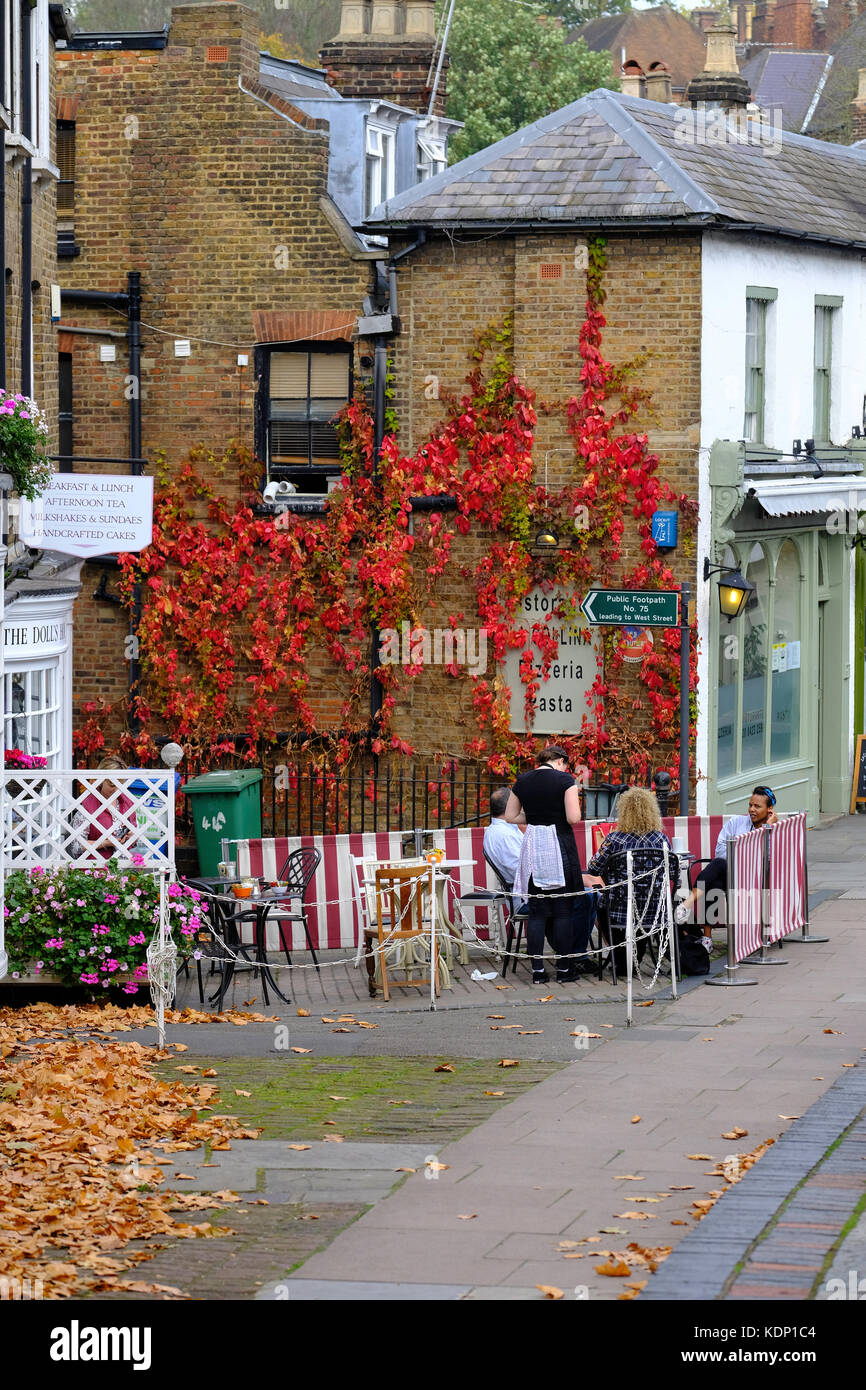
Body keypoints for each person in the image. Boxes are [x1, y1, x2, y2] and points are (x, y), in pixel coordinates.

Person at [505, 745, 593, 985]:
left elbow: (511, 816)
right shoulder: (565, 780)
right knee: (563, 910)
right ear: (561, 761)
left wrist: (534, 818)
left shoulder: (522, 780)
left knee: (537, 912)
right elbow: (573, 818)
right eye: (566, 764)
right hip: (559, 847)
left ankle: (537, 972)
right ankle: (564, 970)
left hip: (533, 847)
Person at [674, 785, 778, 947]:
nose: (752, 809)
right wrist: (742, 855)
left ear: (770, 809)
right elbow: (720, 850)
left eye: (757, 806)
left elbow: (768, 858)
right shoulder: (736, 822)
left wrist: (766, 829)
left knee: (718, 867)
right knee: (716, 870)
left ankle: (687, 904)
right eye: (750, 804)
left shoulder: (774, 831)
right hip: (730, 873)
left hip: (754, 880)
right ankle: (706, 938)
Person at [583, 787, 673, 972]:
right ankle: (632, 958)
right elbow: (672, 872)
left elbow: (593, 867)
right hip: (654, 909)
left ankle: (620, 957)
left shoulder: (615, 839)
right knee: (639, 908)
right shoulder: (661, 839)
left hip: (620, 909)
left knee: (599, 904)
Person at [75, 756, 137, 860]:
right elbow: (76, 847)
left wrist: (132, 837)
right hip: (95, 869)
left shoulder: (127, 803)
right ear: (101, 780)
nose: (116, 789)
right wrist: (106, 843)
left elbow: (134, 842)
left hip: (124, 869)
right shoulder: (88, 805)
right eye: (112, 785)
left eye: (120, 784)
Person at [483, 786, 524, 888]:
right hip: (526, 898)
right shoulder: (506, 835)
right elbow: (521, 872)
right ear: (510, 807)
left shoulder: (496, 830)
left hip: (524, 894)